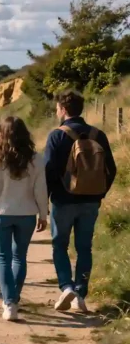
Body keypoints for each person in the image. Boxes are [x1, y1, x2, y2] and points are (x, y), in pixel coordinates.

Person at [45, 89, 116, 312]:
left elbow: (48, 170)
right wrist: (99, 195)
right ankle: (80, 294)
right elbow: (111, 169)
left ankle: (66, 287)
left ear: (63, 110)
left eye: (58, 108)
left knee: (60, 245)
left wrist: (45, 201)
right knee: (84, 248)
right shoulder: (98, 135)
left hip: (63, 201)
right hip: (90, 202)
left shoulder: (57, 135)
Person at [0, 116, 49, 321]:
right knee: (20, 257)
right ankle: (13, 300)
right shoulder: (36, 159)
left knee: (3, 258)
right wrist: (43, 214)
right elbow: (41, 190)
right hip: (27, 214)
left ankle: (9, 303)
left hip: (0, 214)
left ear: (1, 134)